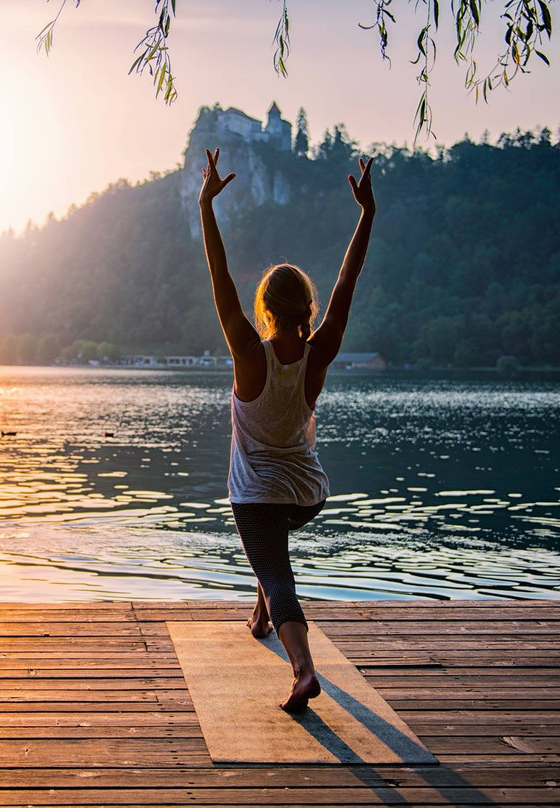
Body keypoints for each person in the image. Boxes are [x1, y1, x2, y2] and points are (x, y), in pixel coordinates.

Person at [198, 147, 376, 712]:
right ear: (305, 309)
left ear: (265, 310)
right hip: (307, 493)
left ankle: (303, 670)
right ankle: (259, 617)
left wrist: (206, 205)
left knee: (279, 575)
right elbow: (348, 282)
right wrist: (366, 214)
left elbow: (220, 276)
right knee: (269, 552)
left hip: (257, 495)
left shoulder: (249, 354)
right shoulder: (319, 353)